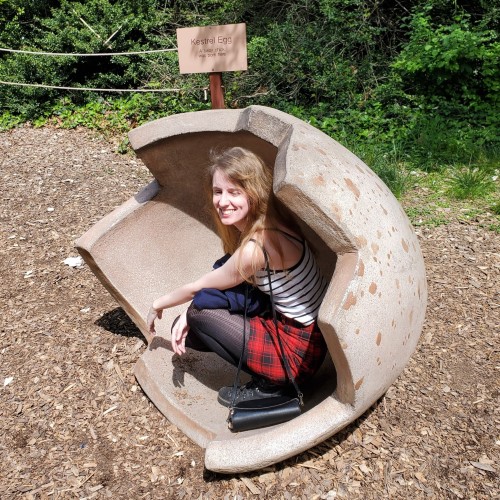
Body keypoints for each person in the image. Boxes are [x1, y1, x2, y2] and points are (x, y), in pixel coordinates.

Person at [146, 147, 328, 407]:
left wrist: (158, 304)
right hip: (303, 333)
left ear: (253, 192)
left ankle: (274, 387)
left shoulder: (258, 246)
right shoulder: (272, 221)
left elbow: (199, 288)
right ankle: (272, 377)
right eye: (218, 191)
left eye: (234, 192)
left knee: (200, 314)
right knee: (193, 325)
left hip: (298, 353)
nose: (222, 201)